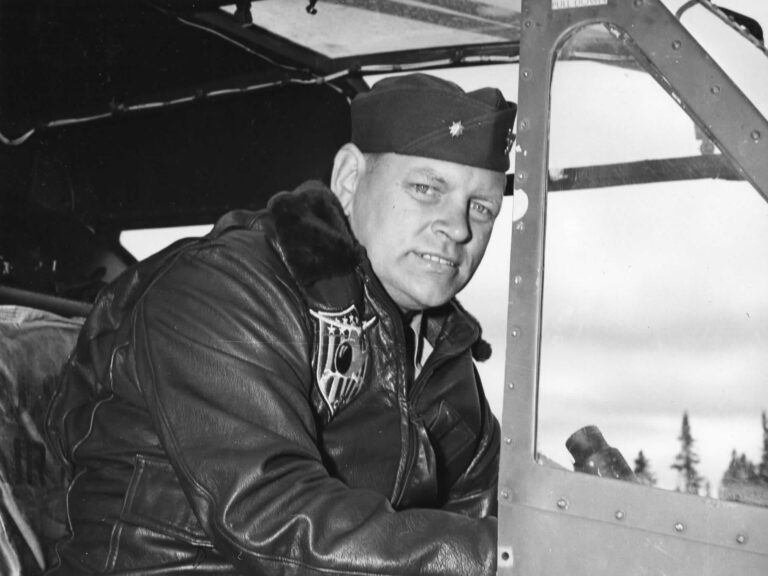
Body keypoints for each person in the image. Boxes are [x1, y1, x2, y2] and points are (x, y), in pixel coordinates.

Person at [45, 73, 517, 575]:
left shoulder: (439, 347)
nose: (459, 227)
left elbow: (490, 501)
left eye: (482, 207)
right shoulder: (228, 286)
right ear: (350, 179)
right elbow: (273, 519)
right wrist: (511, 559)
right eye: (426, 188)